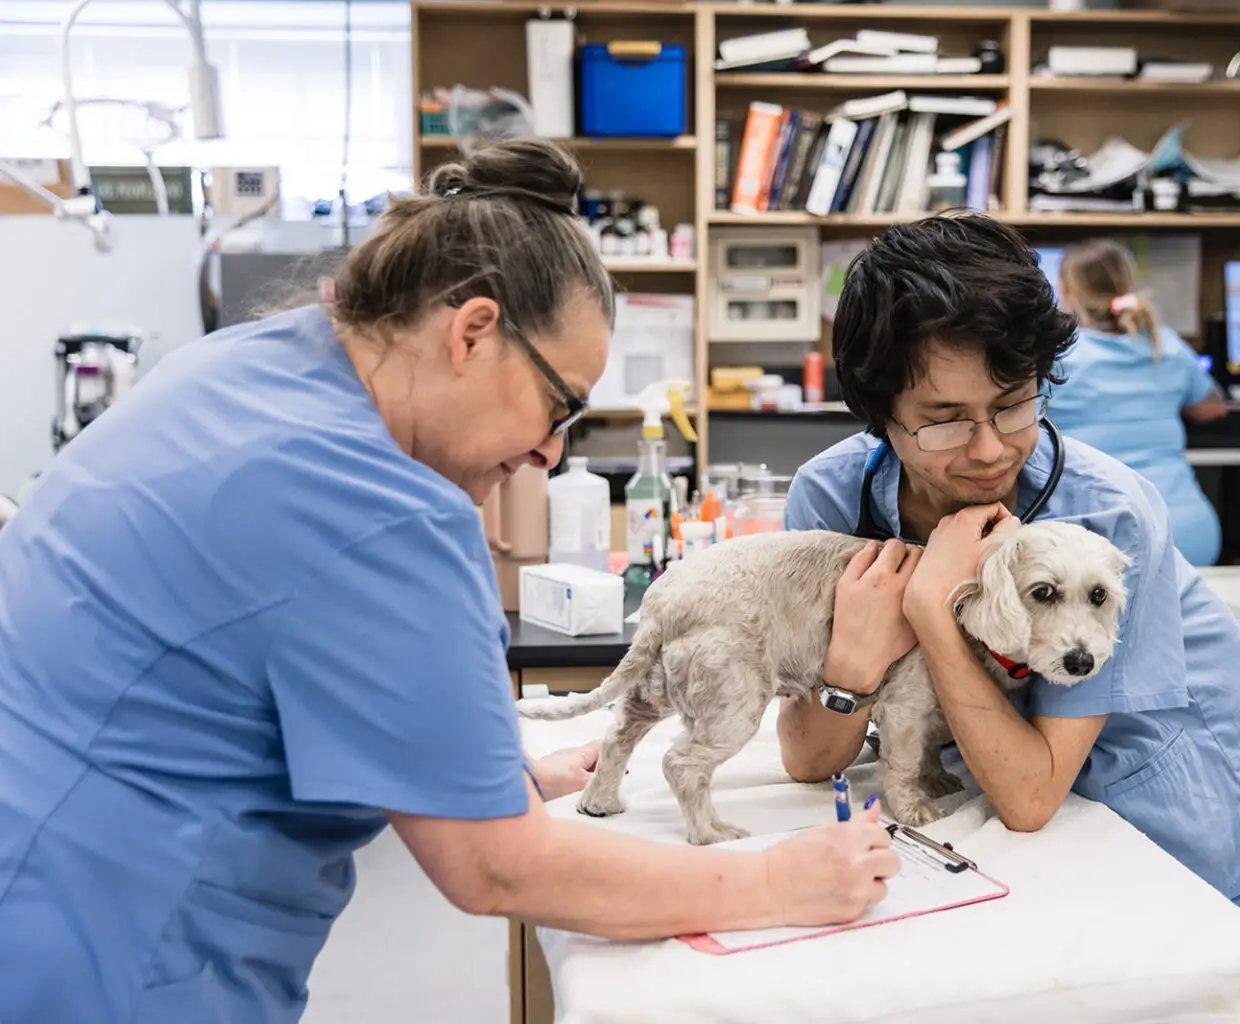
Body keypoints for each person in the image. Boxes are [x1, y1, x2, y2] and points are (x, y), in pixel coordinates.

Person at [0, 139, 898, 1023]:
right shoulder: (385, 507)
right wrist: (776, 879)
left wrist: (483, 774)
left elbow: (245, 666)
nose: (550, 451)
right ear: (472, 333)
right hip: (107, 954)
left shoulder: (244, 365)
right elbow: (497, 868)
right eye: (560, 406)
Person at [778, 214, 1240, 929]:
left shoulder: (1106, 514)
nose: (990, 450)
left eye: (1014, 403)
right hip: (1004, 799)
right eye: (946, 419)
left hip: (1163, 806)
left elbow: (1030, 795)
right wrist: (851, 665)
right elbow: (810, 760)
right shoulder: (834, 498)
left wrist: (929, 611)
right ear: (882, 417)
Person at [1048, 238, 1228, 566]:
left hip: (1104, 535)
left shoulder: (1058, 358)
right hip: (1188, 531)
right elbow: (1211, 407)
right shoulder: (1166, 345)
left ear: (1066, 290)